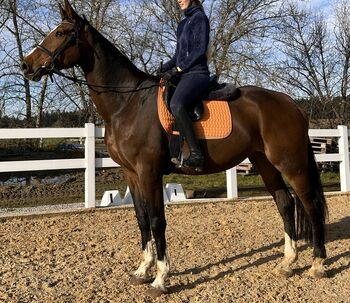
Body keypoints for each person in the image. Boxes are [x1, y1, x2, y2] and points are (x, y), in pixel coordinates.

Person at [160, 0, 210, 172]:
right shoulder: (182, 24)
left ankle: (197, 155)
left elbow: (199, 50)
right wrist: (165, 67)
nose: (178, 0)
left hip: (197, 73)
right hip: (184, 74)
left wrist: (178, 69)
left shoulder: (199, 18)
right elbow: (177, 56)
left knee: (176, 104)